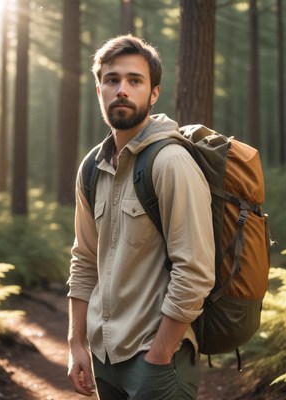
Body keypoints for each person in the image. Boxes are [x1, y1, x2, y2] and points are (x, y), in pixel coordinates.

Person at [67, 34, 215, 400]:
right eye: (112, 79)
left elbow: (195, 270)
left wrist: (159, 354)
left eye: (135, 80)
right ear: (99, 89)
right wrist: (76, 343)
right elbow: (84, 259)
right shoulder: (91, 168)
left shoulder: (171, 162)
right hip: (104, 357)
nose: (122, 89)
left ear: (153, 93)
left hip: (156, 360)